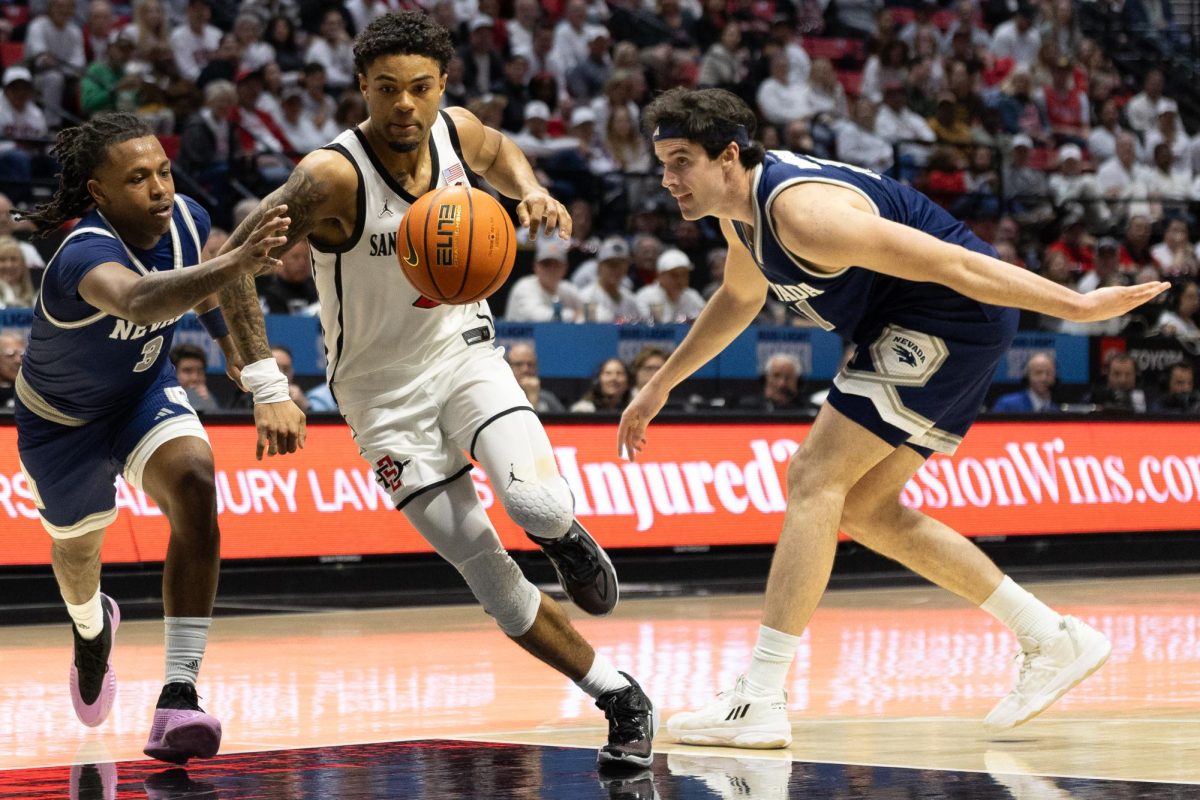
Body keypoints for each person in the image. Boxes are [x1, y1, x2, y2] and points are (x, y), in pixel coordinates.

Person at [619, 88, 1168, 749]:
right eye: (662, 163)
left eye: (681, 161)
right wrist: (659, 386)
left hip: (949, 315)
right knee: (866, 508)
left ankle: (760, 697)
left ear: (728, 156)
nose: (668, 179)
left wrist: (1075, 308)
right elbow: (740, 297)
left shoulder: (805, 214)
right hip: (926, 322)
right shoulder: (741, 212)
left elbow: (959, 264)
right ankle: (1051, 639)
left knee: (812, 478)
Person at [213, 12, 654, 770]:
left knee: (539, 503)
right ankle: (620, 696)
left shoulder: (456, 129)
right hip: (379, 398)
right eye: (386, 90)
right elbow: (231, 267)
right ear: (362, 89)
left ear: (442, 85)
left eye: (420, 88)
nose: (405, 106)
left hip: (464, 353)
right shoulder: (330, 176)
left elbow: (497, 149)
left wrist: (532, 190)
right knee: (489, 577)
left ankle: (564, 538)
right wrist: (264, 384)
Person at [13, 113, 293, 763]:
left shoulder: (190, 220)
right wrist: (234, 263)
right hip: (61, 426)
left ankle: (179, 695)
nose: (160, 188)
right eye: (137, 178)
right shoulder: (83, 253)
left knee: (196, 481)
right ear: (100, 192)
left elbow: (205, 290)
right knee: (78, 562)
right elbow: (141, 301)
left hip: (141, 394)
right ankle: (91, 630)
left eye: (163, 171)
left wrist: (235, 355)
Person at [506, 341, 566, 413]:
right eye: (518, 364)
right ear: (508, 367)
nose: (525, 369)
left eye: (530, 364)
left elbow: (565, 422)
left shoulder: (547, 399)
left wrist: (533, 395)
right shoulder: (500, 397)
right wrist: (532, 398)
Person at [991, 351, 1057, 412]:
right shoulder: (1007, 404)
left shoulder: (1055, 409)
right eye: (1038, 372)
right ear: (1027, 375)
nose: (1044, 378)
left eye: (1048, 373)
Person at [168, 343, 220, 412]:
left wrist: (208, 402)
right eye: (187, 371)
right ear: (173, 374)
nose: (195, 378)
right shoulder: (162, 401)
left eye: (200, 371)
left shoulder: (209, 400)